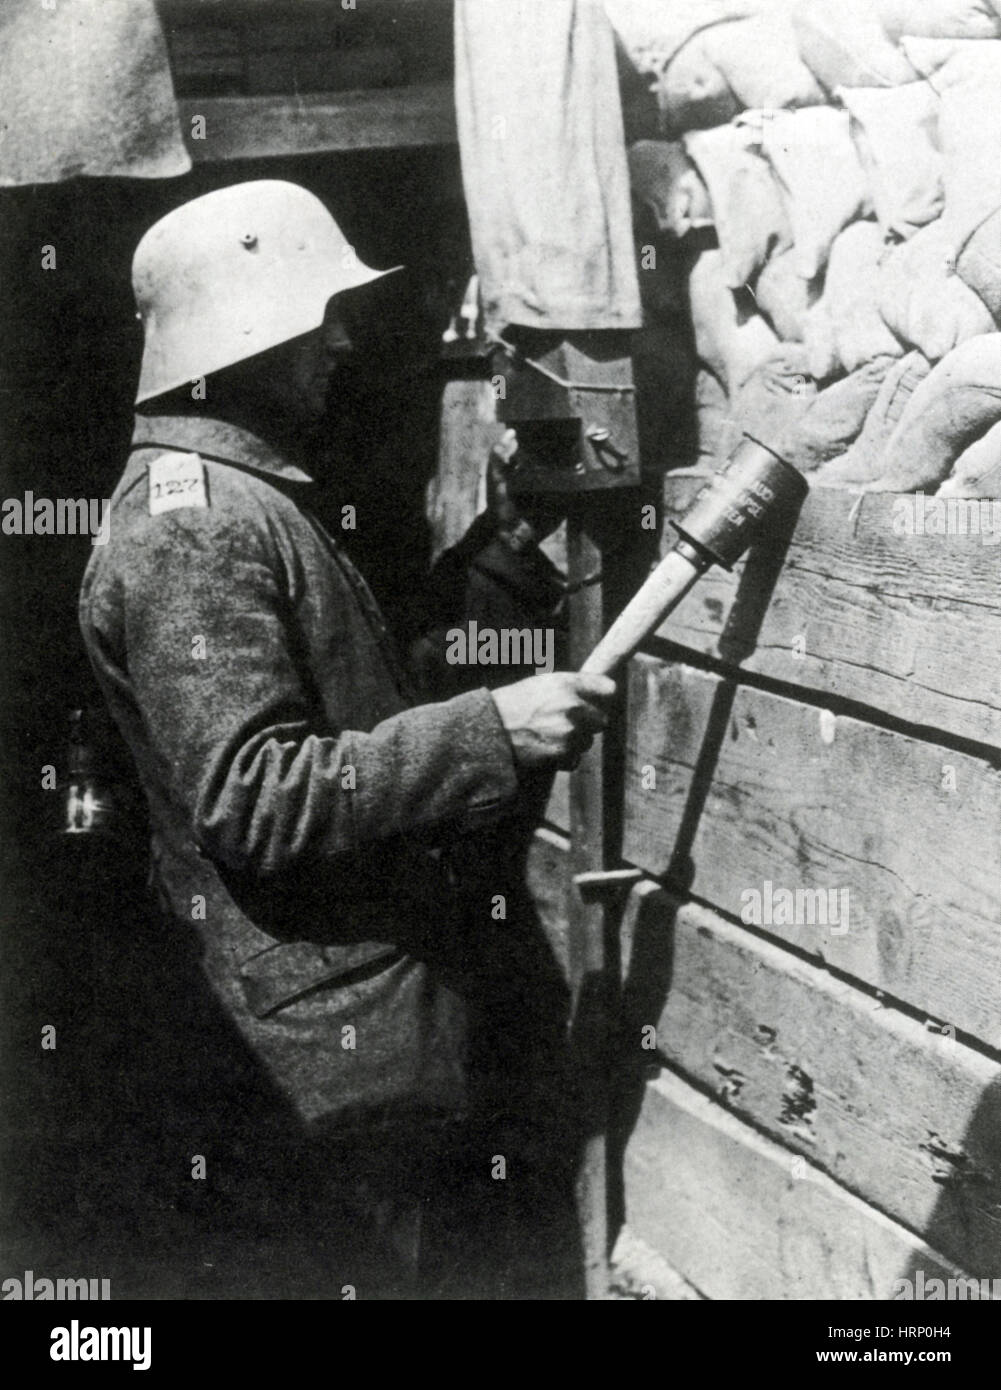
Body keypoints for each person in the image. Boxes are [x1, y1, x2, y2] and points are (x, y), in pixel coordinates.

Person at [78, 180, 615, 1297]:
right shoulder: (195, 524)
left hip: (360, 1034)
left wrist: (504, 553)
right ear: (240, 333)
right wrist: (491, 731)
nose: (340, 342)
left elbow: (356, 701)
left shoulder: (237, 499)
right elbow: (255, 794)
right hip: (338, 1058)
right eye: (314, 315)